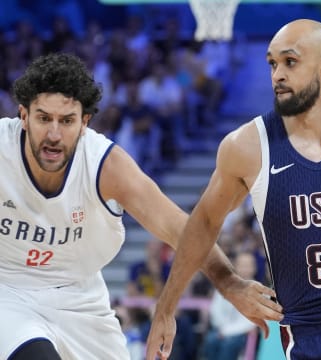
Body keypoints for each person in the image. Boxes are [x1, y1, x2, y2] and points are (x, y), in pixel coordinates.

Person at [0, 52, 282, 360]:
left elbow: (181, 228)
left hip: (80, 295)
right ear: (23, 116)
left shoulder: (106, 166)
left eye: (66, 121)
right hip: (8, 288)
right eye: (43, 118)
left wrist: (229, 283)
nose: (54, 135)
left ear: (84, 122)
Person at [146, 18, 321, 360]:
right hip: (310, 337)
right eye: (272, 64)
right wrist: (176, 303)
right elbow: (202, 224)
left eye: (290, 62)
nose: (277, 74)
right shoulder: (247, 147)